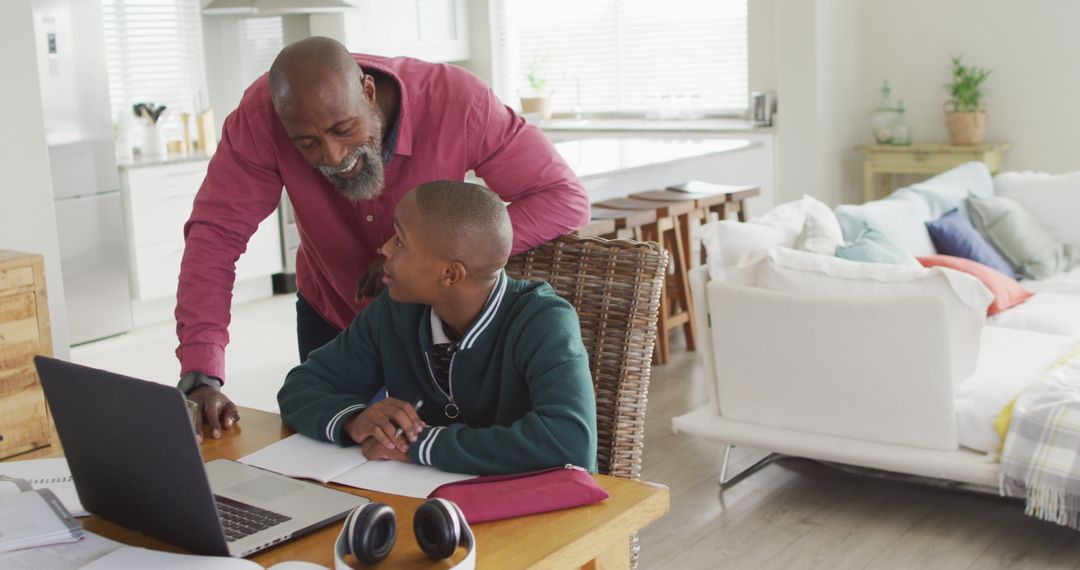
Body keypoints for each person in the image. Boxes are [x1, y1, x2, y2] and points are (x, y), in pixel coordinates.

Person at [176, 37, 590, 438]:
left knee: (422, 464)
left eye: (344, 128)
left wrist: (432, 254)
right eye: (308, 144)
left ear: (368, 92)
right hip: (332, 313)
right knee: (331, 460)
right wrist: (201, 373)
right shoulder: (260, 117)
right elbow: (215, 237)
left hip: (432, 324)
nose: (334, 158)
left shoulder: (458, 102)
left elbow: (563, 198)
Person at [277, 181, 597, 474]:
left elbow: (569, 443)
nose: (384, 249)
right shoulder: (395, 310)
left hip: (540, 523)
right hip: (427, 509)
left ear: (450, 275)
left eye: (400, 242)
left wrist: (423, 446)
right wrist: (353, 419)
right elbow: (301, 386)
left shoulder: (544, 320)